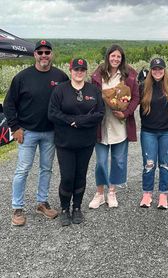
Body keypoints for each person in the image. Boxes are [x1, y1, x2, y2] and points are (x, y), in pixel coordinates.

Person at [3, 40, 69, 226]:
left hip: (50, 133)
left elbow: (68, 101)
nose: (43, 56)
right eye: (40, 52)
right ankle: (17, 208)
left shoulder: (60, 76)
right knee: (22, 170)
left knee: (46, 169)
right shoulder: (22, 77)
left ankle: (42, 202)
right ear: (34, 55)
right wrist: (15, 127)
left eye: (47, 52)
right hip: (27, 133)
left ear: (52, 54)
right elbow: (8, 104)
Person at [48, 58, 105, 226]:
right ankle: (65, 209)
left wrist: (80, 122)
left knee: (80, 176)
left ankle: (77, 208)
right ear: (70, 70)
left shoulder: (93, 90)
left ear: (86, 71)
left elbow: (100, 113)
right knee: (67, 177)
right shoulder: (60, 90)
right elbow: (52, 113)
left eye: (82, 70)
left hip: (86, 142)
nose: (79, 72)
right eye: (76, 69)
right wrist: (70, 120)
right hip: (65, 143)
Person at [89, 45, 139, 209]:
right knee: (101, 162)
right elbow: (91, 96)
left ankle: (112, 192)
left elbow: (135, 98)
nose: (115, 59)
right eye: (113, 56)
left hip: (120, 125)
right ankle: (99, 193)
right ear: (108, 57)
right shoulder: (98, 74)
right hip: (101, 126)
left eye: (118, 56)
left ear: (122, 58)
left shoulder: (129, 75)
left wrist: (126, 113)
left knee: (118, 161)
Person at [139, 58, 168, 209]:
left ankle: (163, 194)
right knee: (149, 164)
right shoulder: (143, 86)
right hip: (148, 131)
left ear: (164, 69)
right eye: (154, 69)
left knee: (165, 164)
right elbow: (130, 102)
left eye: (160, 68)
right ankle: (147, 194)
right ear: (150, 70)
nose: (157, 71)